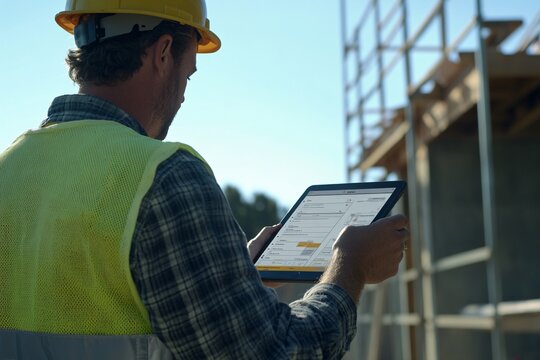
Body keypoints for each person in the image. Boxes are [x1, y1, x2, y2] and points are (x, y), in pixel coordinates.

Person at [0, 1, 409, 359]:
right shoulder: (164, 177)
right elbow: (277, 353)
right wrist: (349, 267)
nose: (182, 95)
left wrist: (233, 274)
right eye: (189, 74)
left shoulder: (9, 167)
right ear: (163, 53)